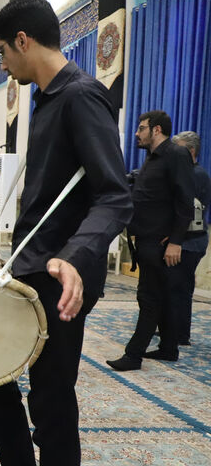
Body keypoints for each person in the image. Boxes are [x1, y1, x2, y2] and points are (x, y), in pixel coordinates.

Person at [0, 0, 132, 465]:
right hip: (31, 267)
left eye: (1, 52)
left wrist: (74, 257)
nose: (2, 64)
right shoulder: (47, 100)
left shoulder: (82, 96)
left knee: (49, 403)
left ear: (22, 41)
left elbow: (115, 195)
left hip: (60, 278)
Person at [107, 111, 194, 371]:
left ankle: (133, 355)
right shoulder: (152, 159)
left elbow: (185, 201)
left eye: (141, 128)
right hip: (147, 238)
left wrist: (176, 241)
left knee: (149, 297)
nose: (137, 133)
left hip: (160, 242)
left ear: (156, 130)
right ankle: (168, 348)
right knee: (162, 295)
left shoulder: (175, 154)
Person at [171, 131, 210, 345]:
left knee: (181, 288)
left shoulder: (195, 174)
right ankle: (173, 328)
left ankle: (180, 334)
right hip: (188, 239)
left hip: (190, 241)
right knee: (177, 287)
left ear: (191, 151)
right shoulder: (193, 172)